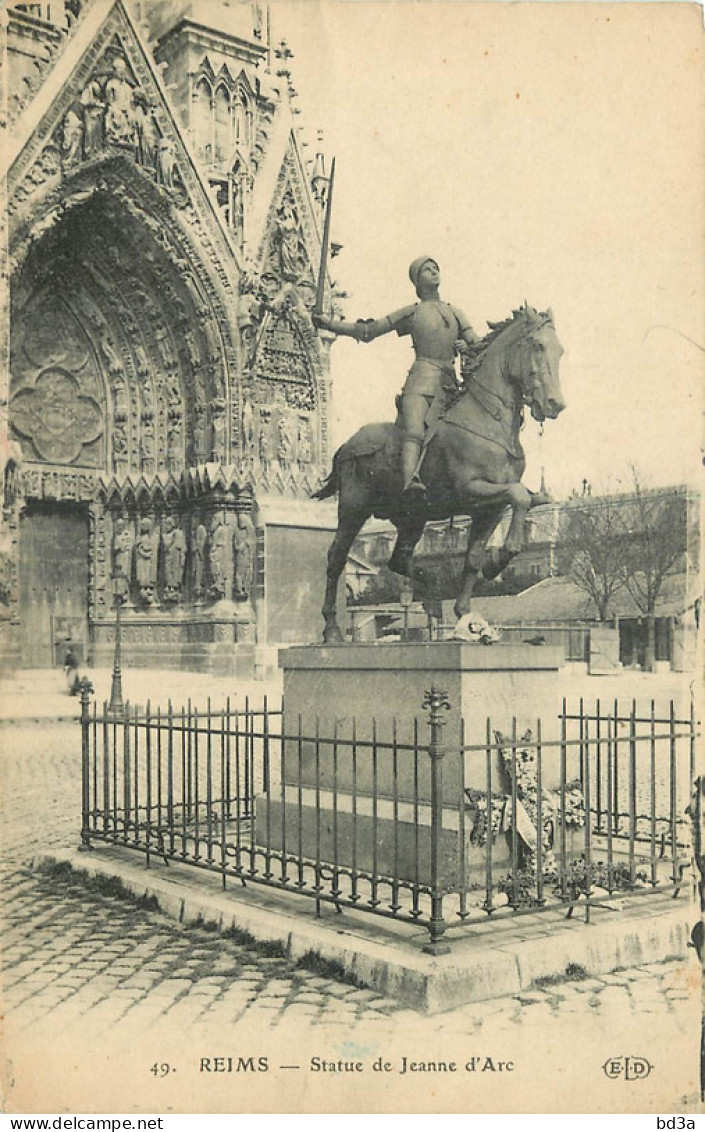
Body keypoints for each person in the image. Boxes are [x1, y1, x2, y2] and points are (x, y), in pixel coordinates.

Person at [313, 256, 479, 502]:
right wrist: (330, 324)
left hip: (451, 386)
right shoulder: (412, 312)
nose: (434, 270)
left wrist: (466, 347)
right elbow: (369, 330)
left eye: (436, 267)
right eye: (426, 269)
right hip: (420, 383)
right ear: (416, 281)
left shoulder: (456, 313)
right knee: (413, 431)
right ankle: (410, 481)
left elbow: (479, 347)